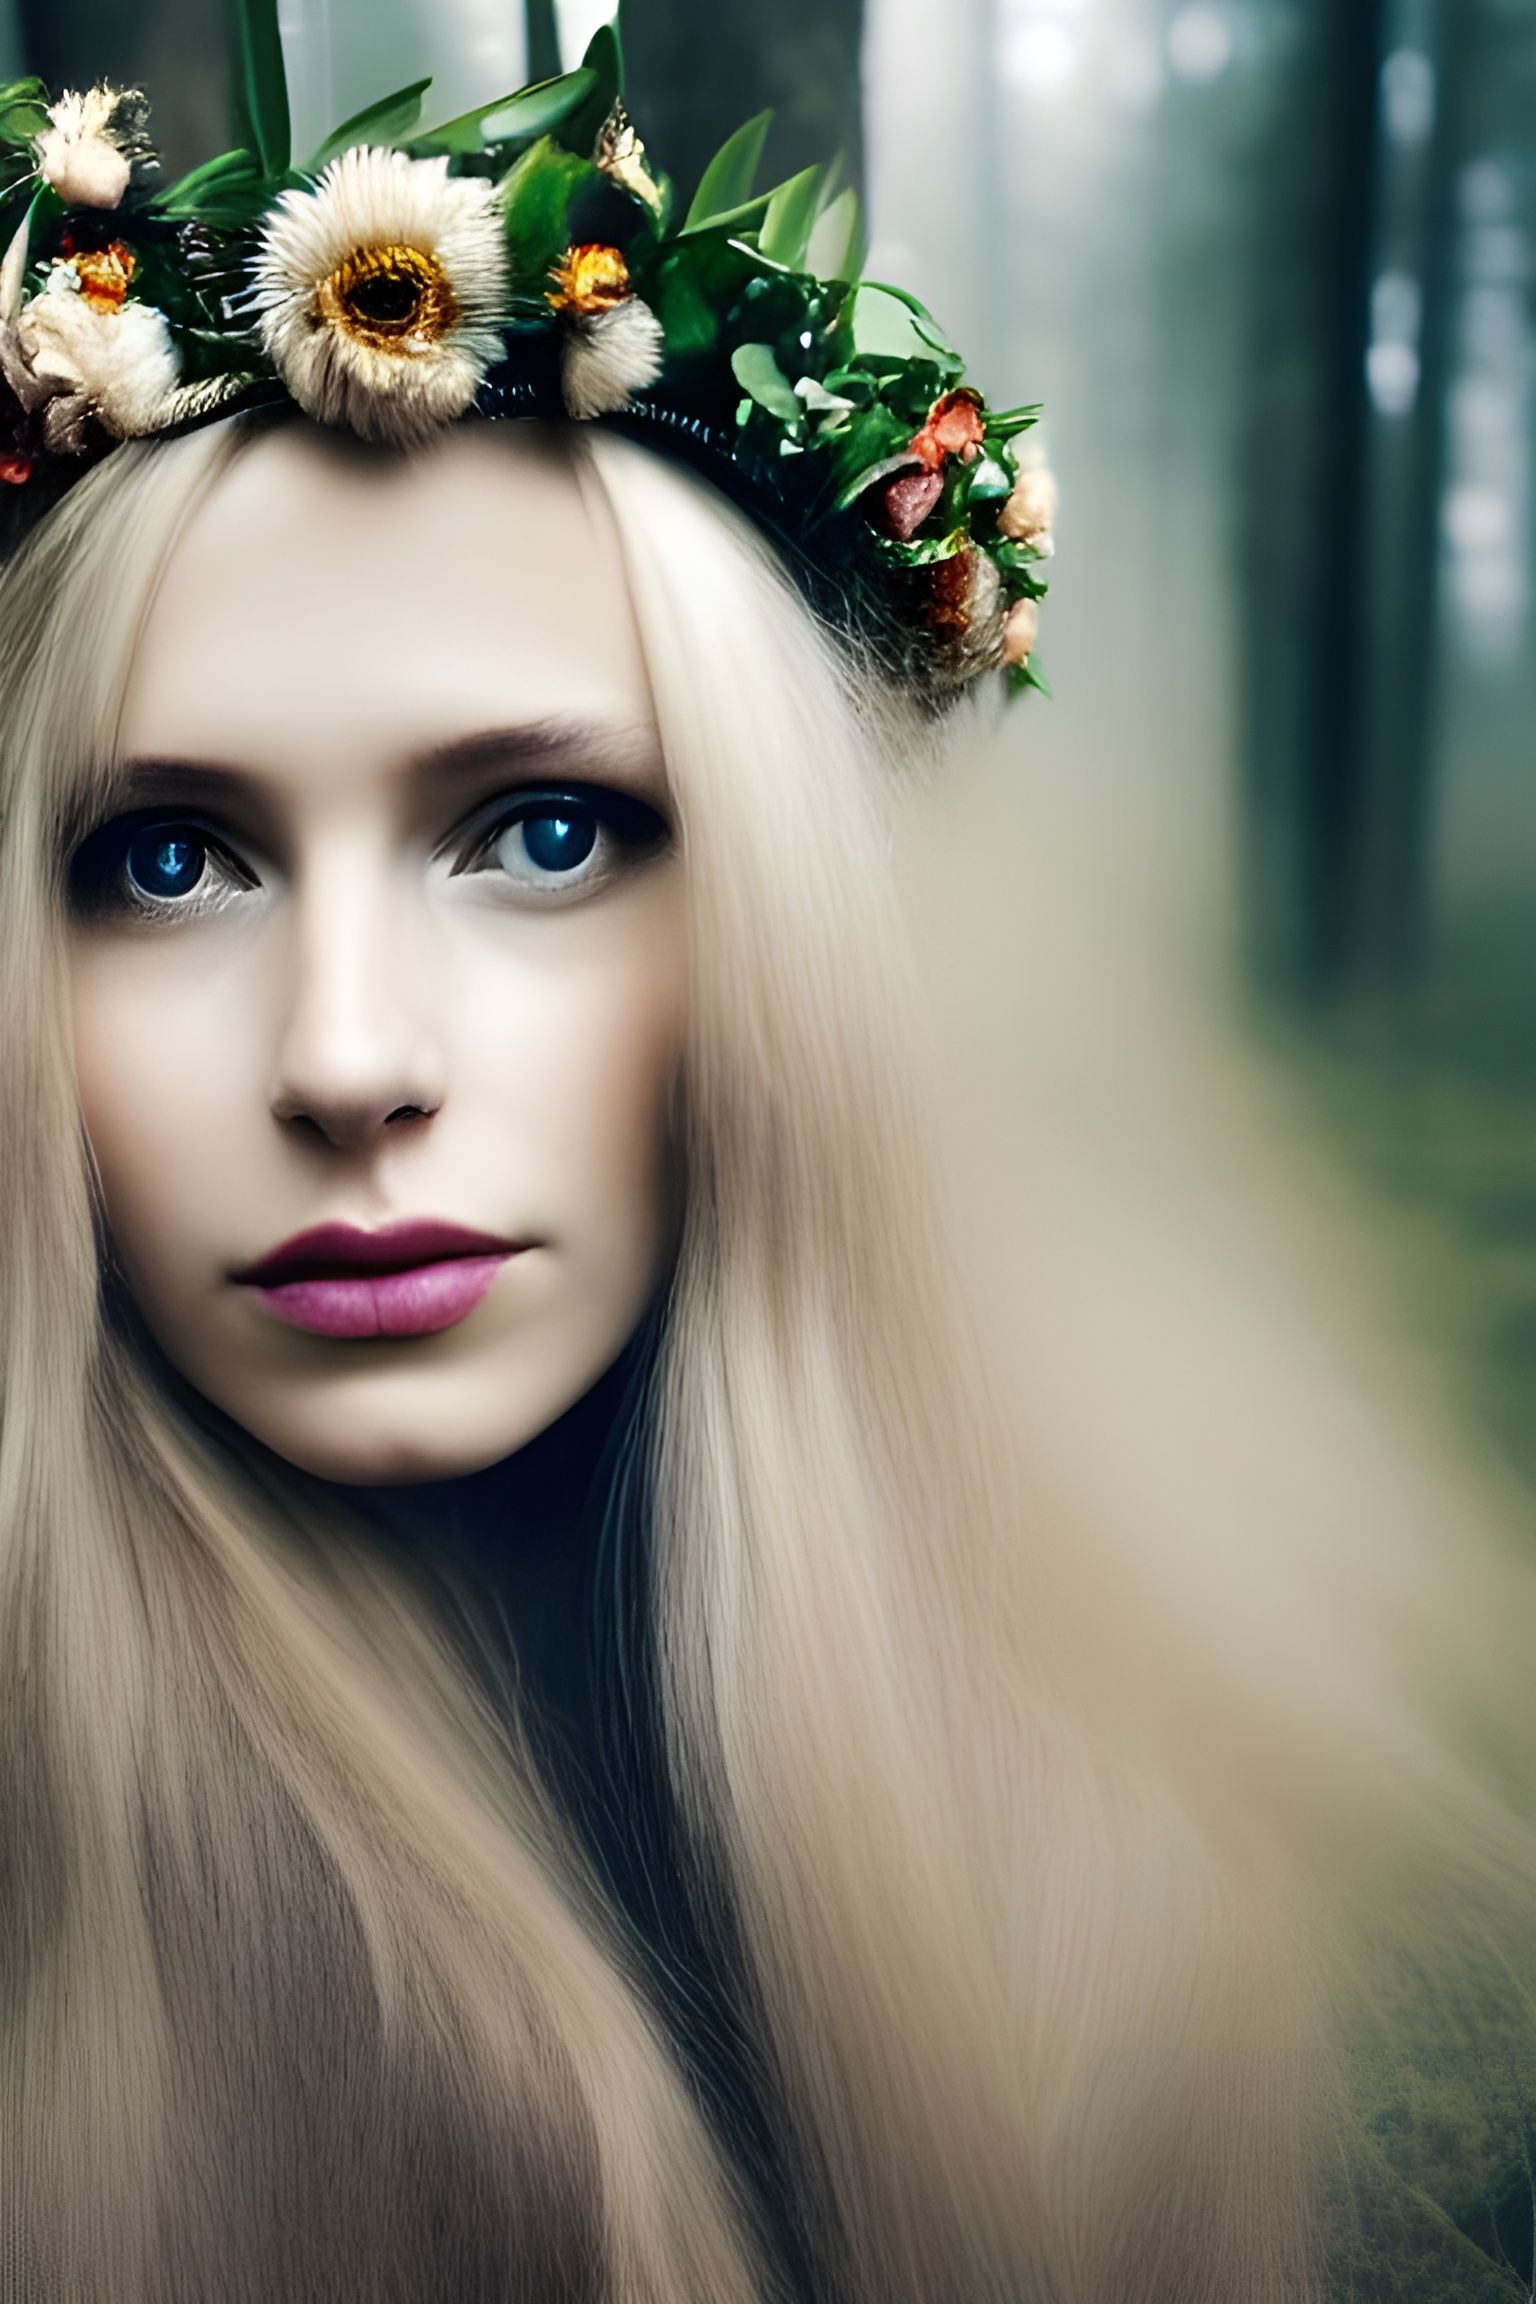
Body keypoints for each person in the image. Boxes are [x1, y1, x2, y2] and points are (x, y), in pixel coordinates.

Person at [1, 18, 1535, 2304]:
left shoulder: (1139, 1912)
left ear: (801, 934)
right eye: (164, 864)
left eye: (543, 832)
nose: (348, 1060)